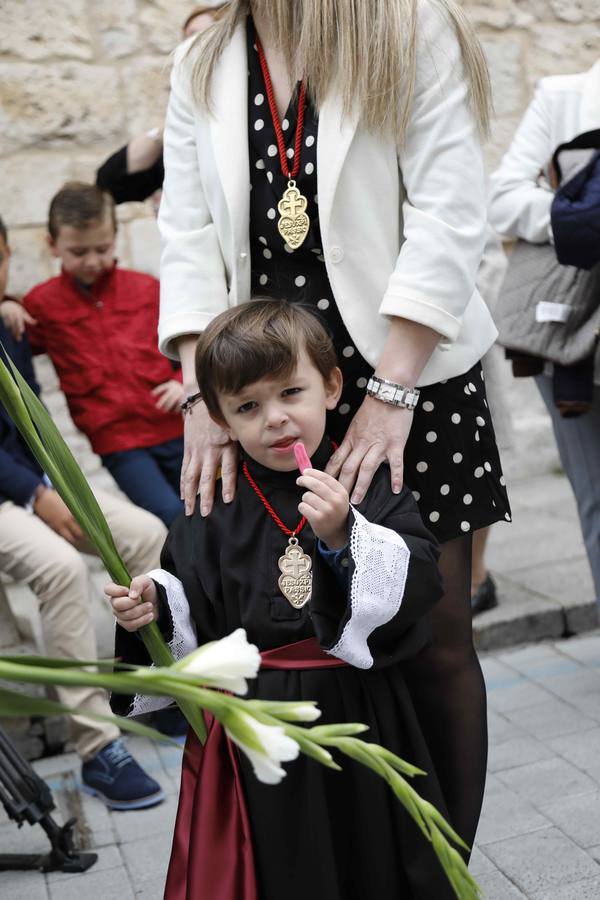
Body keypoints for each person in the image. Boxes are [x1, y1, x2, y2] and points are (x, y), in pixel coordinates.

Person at [156, 0, 511, 848]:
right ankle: (349, 867)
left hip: (409, 375)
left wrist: (391, 393)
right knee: (292, 636)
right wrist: (202, 392)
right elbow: (186, 230)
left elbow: (450, 212)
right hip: (267, 390)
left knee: (434, 637)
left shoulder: (407, 25)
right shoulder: (203, 54)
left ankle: (443, 870)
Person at [107, 300, 459, 900]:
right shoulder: (211, 502)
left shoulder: (362, 478)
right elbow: (188, 593)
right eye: (248, 406)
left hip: (360, 712)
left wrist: (345, 534)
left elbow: (421, 577)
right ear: (219, 417)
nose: (275, 419)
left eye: (291, 393)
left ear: (330, 386)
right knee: (287, 867)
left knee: (372, 854)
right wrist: (152, 605)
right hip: (256, 728)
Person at [0, 214, 166, 810]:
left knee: (148, 533)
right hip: (8, 497)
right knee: (62, 570)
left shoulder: (9, 322)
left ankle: (150, 690)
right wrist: (32, 493)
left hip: (39, 487)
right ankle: (98, 748)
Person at [0, 182, 185, 527]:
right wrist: (7, 304)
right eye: (78, 252)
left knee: (209, 511)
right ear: (53, 245)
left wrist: (182, 381)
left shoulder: (147, 289)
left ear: (116, 235)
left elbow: (190, 345)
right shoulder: (42, 304)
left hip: (176, 427)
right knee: (170, 515)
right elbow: (17, 344)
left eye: (102, 248)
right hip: (119, 444)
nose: (92, 261)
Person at [489, 59, 600, 603]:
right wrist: (580, 213)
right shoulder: (566, 96)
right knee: (597, 496)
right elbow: (502, 198)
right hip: (570, 330)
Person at [95, 4, 227, 206]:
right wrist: (165, 131)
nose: (194, 45)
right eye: (189, 38)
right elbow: (110, 182)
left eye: (203, 35)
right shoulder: (184, 132)